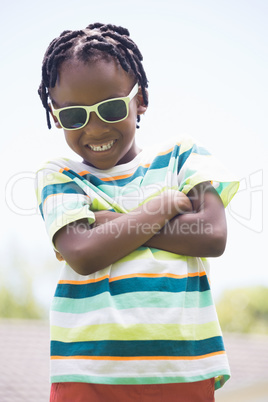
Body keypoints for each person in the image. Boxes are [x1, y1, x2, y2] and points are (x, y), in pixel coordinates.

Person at [35, 23, 239, 402]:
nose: (94, 129)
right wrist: (160, 208)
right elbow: (82, 253)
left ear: (139, 99)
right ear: (56, 115)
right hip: (86, 370)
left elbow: (212, 234)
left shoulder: (182, 155)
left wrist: (104, 224)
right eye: (76, 116)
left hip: (184, 366)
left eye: (110, 108)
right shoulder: (58, 175)